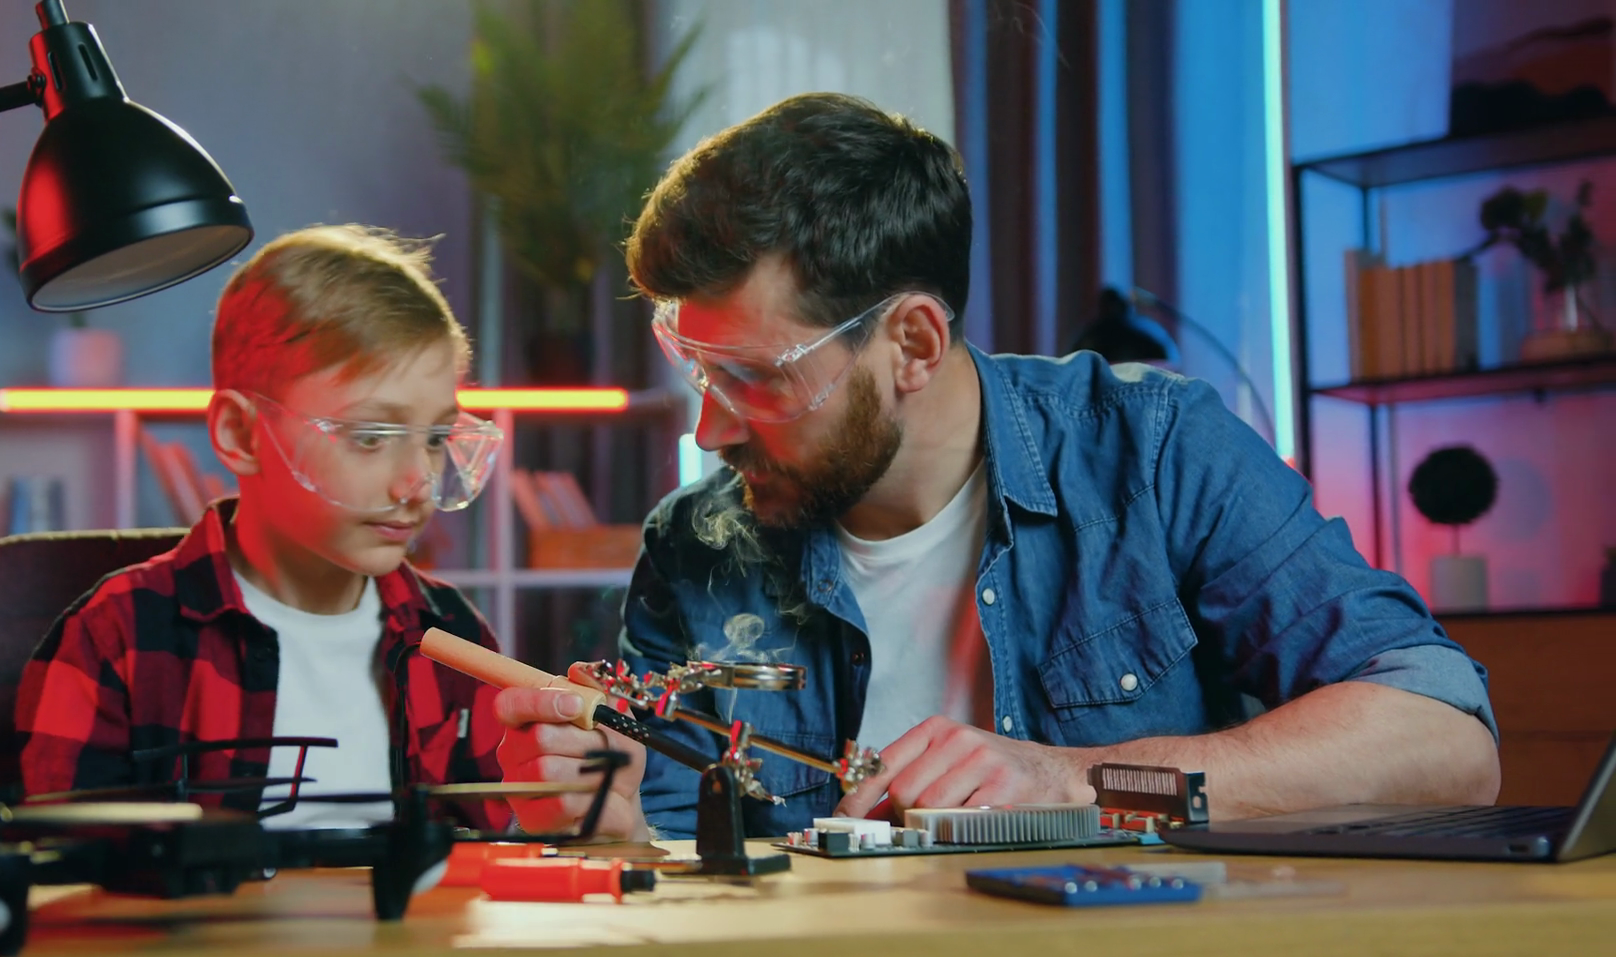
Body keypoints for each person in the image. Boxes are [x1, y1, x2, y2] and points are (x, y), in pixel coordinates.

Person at [494, 93, 1499, 841]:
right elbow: (679, 863)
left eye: (756, 378)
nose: (711, 430)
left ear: (913, 344)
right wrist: (614, 823)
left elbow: (1446, 742)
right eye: (700, 371)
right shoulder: (695, 547)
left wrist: (1073, 781)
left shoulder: (1152, 452)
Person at [17, 225, 511, 832]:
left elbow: (503, 851)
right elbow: (70, 872)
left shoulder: (453, 635)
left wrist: (569, 801)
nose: (417, 482)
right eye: (370, 437)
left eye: (435, 439)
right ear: (241, 434)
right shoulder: (116, 638)